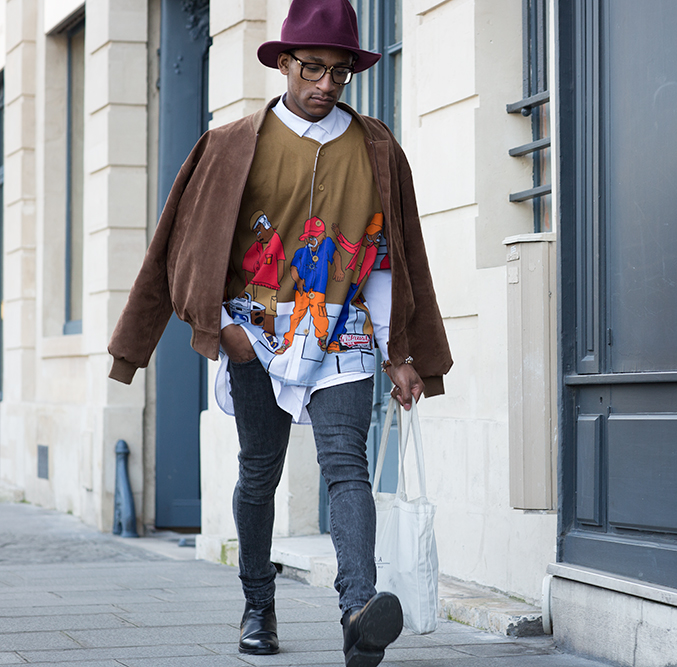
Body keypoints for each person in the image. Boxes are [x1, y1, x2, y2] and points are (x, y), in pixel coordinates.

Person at [106, 1, 453, 665]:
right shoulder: (233, 143)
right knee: (258, 473)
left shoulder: (376, 148)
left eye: (340, 73)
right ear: (285, 63)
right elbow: (186, 249)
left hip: (343, 331)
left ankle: (357, 608)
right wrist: (225, 327)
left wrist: (399, 352)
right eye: (313, 68)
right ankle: (257, 601)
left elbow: (388, 258)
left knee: (346, 466)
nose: (325, 84)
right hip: (255, 332)